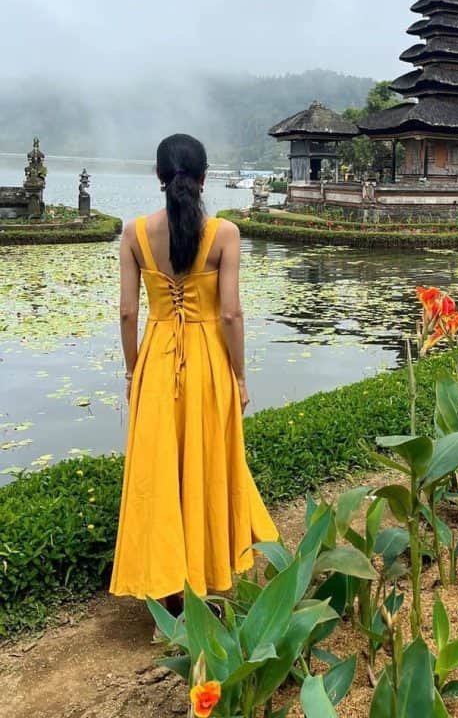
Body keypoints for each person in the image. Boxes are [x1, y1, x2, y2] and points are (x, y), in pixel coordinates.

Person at [110, 134, 278, 620]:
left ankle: (166, 586)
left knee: (161, 467)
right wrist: (241, 376)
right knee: (206, 459)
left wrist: (132, 368)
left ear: (159, 177)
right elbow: (230, 316)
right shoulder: (224, 233)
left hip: (158, 358)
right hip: (207, 360)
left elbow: (127, 313)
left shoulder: (134, 233)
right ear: (204, 177)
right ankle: (205, 576)